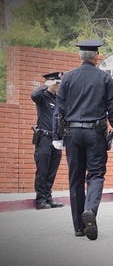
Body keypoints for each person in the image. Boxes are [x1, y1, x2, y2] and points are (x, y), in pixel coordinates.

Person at [52, 39, 113, 240]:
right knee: (95, 175)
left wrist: (56, 136)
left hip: (72, 134)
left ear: (80, 56)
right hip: (95, 134)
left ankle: (78, 227)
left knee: (75, 178)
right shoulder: (104, 78)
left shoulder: (67, 78)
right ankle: (90, 211)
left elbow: (59, 111)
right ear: (96, 57)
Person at [31, 71, 65, 210]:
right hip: (44, 138)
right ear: (50, 82)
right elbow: (33, 95)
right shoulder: (42, 97)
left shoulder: (59, 99)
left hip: (56, 139)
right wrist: (46, 85)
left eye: (59, 83)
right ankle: (41, 200)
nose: (58, 85)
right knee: (43, 170)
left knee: (52, 171)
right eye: (56, 82)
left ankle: (48, 198)